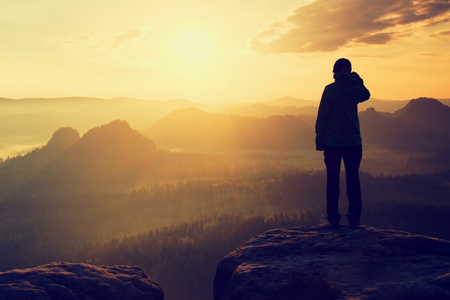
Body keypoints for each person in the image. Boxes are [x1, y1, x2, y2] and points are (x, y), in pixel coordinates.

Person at [315, 58, 370, 229]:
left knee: (332, 181)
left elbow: (322, 116)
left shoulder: (330, 90)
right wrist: (358, 80)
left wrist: (319, 139)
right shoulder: (354, 88)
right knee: (353, 180)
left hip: (332, 143)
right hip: (353, 142)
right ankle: (354, 220)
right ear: (349, 70)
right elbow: (366, 94)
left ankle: (333, 219)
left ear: (335, 71)